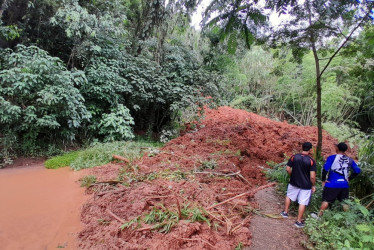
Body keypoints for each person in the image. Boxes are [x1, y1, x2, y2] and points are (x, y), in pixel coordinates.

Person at [318, 142, 361, 216]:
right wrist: (349, 178)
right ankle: (347, 219)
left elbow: (325, 169)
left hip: (332, 184)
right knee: (344, 202)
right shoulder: (350, 160)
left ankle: (319, 216)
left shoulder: (332, 158)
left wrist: (323, 180)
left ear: (337, 148)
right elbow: (357, 170)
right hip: (344, 184)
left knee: (326, 200)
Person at [280, 142, 316, 228]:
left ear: (302, 147)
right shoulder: (311, 161)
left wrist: (292, 175)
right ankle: (298, 221)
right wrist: (313, 185)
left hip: (294, 182)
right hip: (306, 185)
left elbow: (288, 169)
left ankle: (285, 212)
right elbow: (312, 176)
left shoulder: (294, 157)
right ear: (310, 150)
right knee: (303, 202)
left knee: (289, 196)